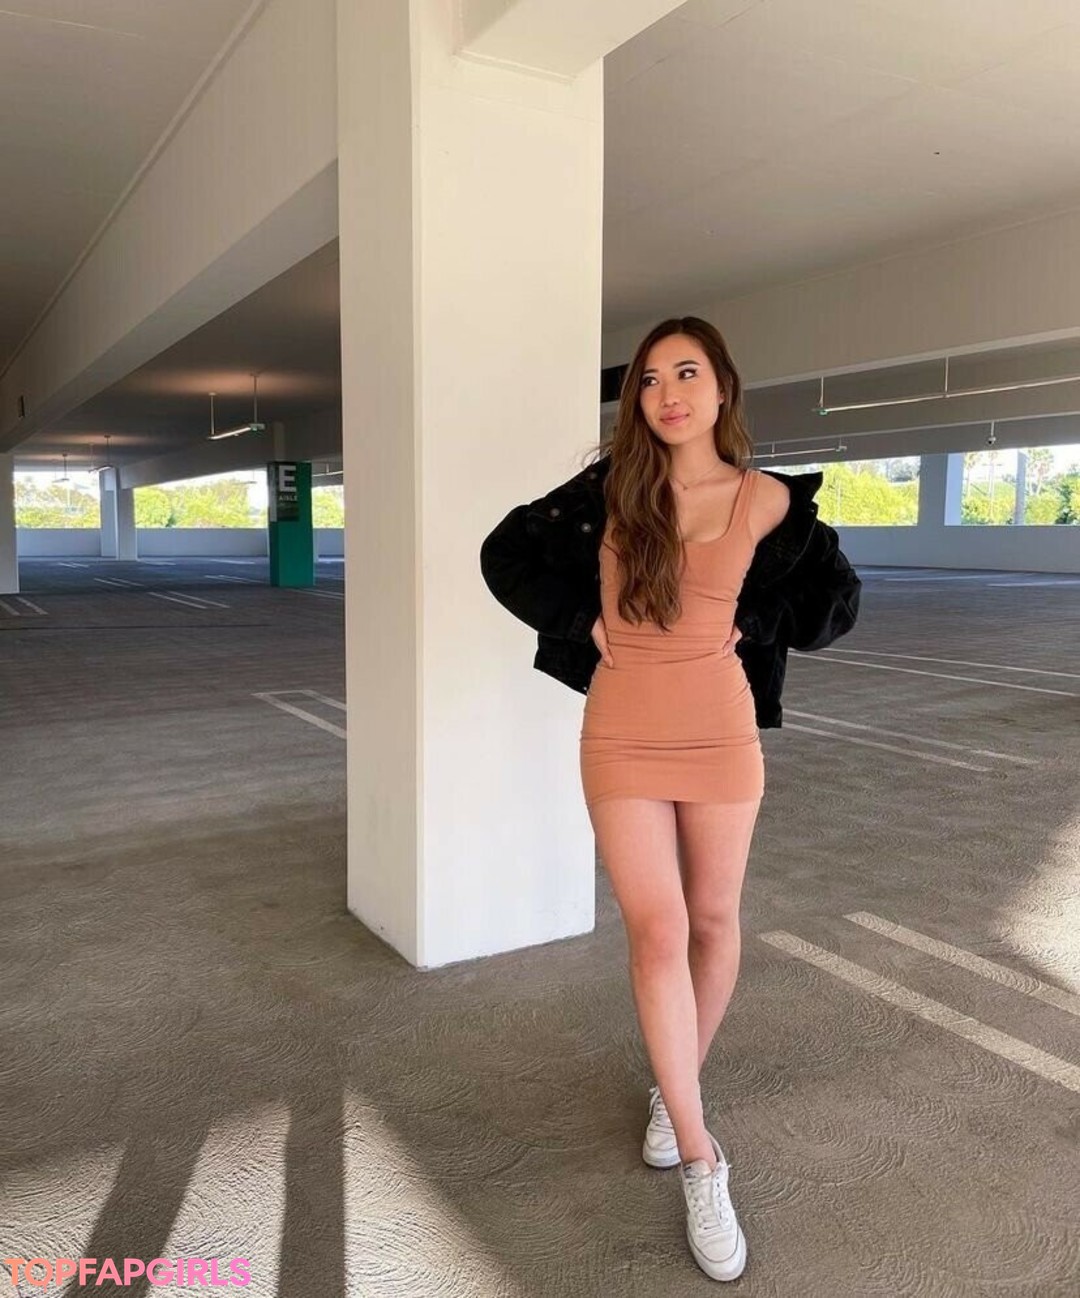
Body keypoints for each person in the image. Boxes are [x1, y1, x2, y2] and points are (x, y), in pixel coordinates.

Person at [479, 316, 860, 1284]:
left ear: (721, 387)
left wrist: (756, 619)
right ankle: (700, 1155)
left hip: (720, 732)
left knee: (716, 921)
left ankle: (671, 1085)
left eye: (685, 373)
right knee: (658, 931)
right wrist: (580, 619)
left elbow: (837, 604)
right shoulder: (613, 490)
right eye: (649, 380)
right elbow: (504, 553)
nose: (666, 394)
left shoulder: (770, 500)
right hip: (622, 731)